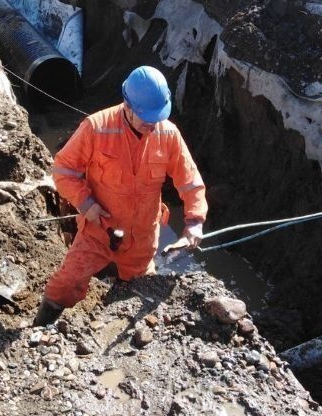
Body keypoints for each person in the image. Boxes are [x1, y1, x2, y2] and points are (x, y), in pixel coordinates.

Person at [35, 66, 208, 326]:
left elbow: (190, 181)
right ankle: (40, 330)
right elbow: (63, 170)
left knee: (138, 292)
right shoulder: (97, 127)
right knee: (67, 282)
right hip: (98, 230)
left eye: (156, 119)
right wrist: (86, 203)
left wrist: (194, 222)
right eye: (146, 120)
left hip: (141, 238)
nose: (152, 126)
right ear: (127, 106)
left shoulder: (168, 133)